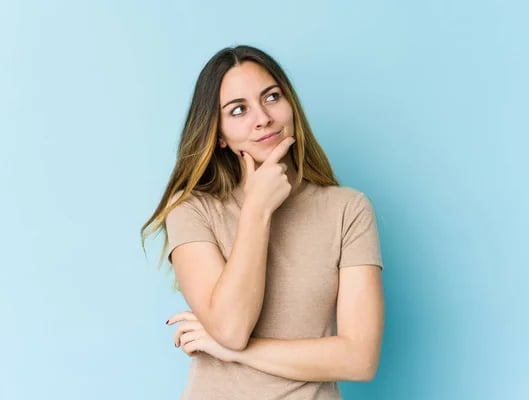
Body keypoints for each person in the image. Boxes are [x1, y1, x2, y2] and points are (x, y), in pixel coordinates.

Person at [141, 45, 384, 400]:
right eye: (238, 110)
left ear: (291, 106)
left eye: (271, 97)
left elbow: (359, 359)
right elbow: (231, 328)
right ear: (219, 134)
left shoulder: (348, 209)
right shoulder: (192, 209)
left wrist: (235, 352)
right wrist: (257, 210)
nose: (263, 118)